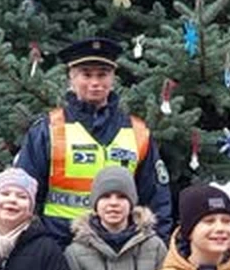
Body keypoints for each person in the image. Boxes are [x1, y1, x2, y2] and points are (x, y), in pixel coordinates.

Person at [16, 36, 172, 243]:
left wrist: (157, 247)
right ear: (71, 77)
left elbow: (157, 200)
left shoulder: (138, 132)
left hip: (122, 248)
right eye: (86, 74)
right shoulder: (48, 130)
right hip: (59, 244)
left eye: (102, 74)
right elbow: (22, 193)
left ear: (113, 78)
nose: (95, 83)